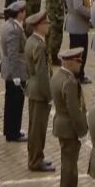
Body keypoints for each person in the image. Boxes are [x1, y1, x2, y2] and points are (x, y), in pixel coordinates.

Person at [51, 47, 89, 187]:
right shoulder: (70, 82)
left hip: (61, 124)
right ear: (69, 62)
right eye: (77, 61)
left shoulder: (58, 76)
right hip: (69, 128)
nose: (80, 65)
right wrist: (82, 130)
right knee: (69, 165)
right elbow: (74, 110)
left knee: (68, 162)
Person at [24, 10, 54, 172]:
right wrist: (49, 95)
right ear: (39, 26)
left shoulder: (31, 41)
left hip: (33, 88)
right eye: (46, 23)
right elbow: (42, 73)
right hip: (39, 91)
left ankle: (37, 156)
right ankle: (35, 160)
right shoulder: (39, 45)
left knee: (35, 127)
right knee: (38, 128)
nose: (48, 26)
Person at [0, 0, 29, 142]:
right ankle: (14, 132)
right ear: (20, 13)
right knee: (16, 103)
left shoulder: (9, 25)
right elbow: (13, 54)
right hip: (15, 71)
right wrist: (17, 75)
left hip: (11, 70)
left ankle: (10, 130)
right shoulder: (14, 29)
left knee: (11, 102)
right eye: (24, 11)